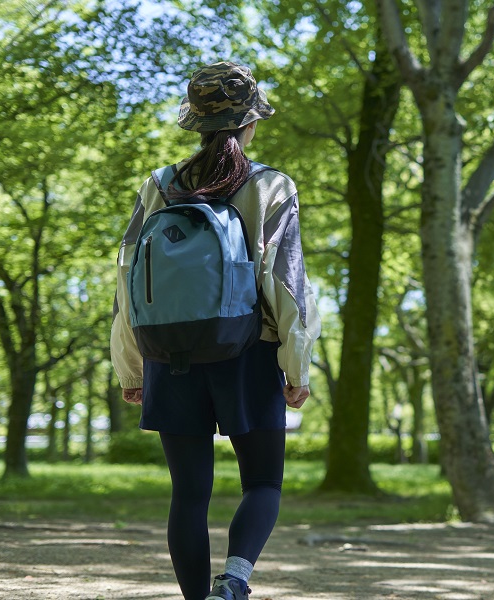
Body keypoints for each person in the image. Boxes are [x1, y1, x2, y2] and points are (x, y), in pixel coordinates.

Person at [110, 61, 321, 600]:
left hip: (169, 354)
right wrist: (297, 369)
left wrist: (132, 366)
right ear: (249, 124)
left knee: (189, 495)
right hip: (249, 353)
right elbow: (287, 285)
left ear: (196, 124)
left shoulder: (158, 185)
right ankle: (234, 580)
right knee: (263, 482)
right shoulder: (271, 185)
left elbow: (129, 278)